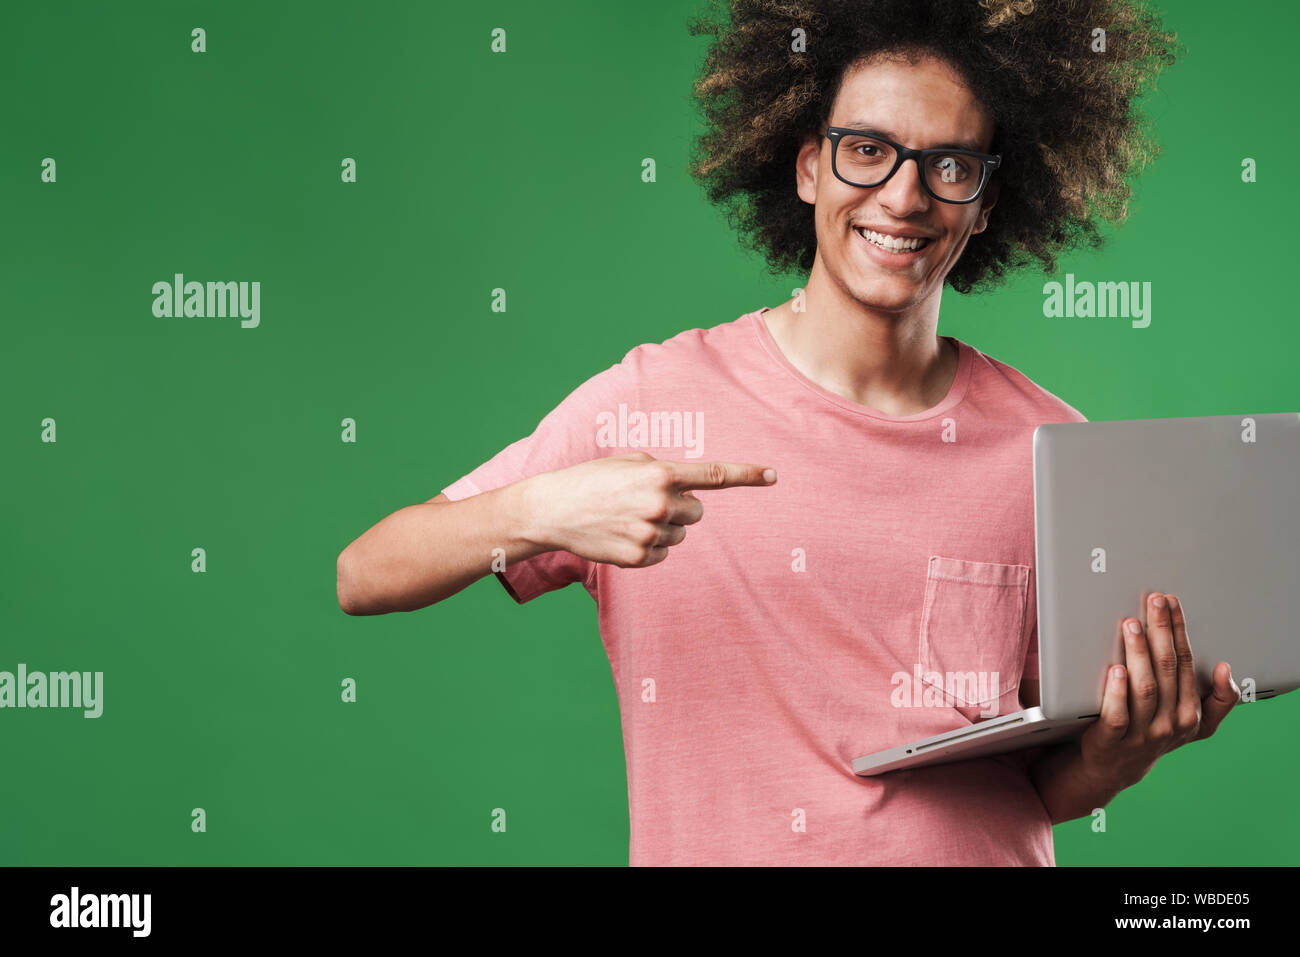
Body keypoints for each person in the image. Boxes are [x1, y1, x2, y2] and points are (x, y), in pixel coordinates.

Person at [336, 0, 1238, 865]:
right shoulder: (654, 400)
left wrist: (1122, 754)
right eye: (868, 151)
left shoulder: (1052, 446)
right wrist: (540, 508)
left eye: (950, 166)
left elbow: (1037, 785)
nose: (904, 195)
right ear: (809, 167)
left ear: (988, 202)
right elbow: (364, 574)